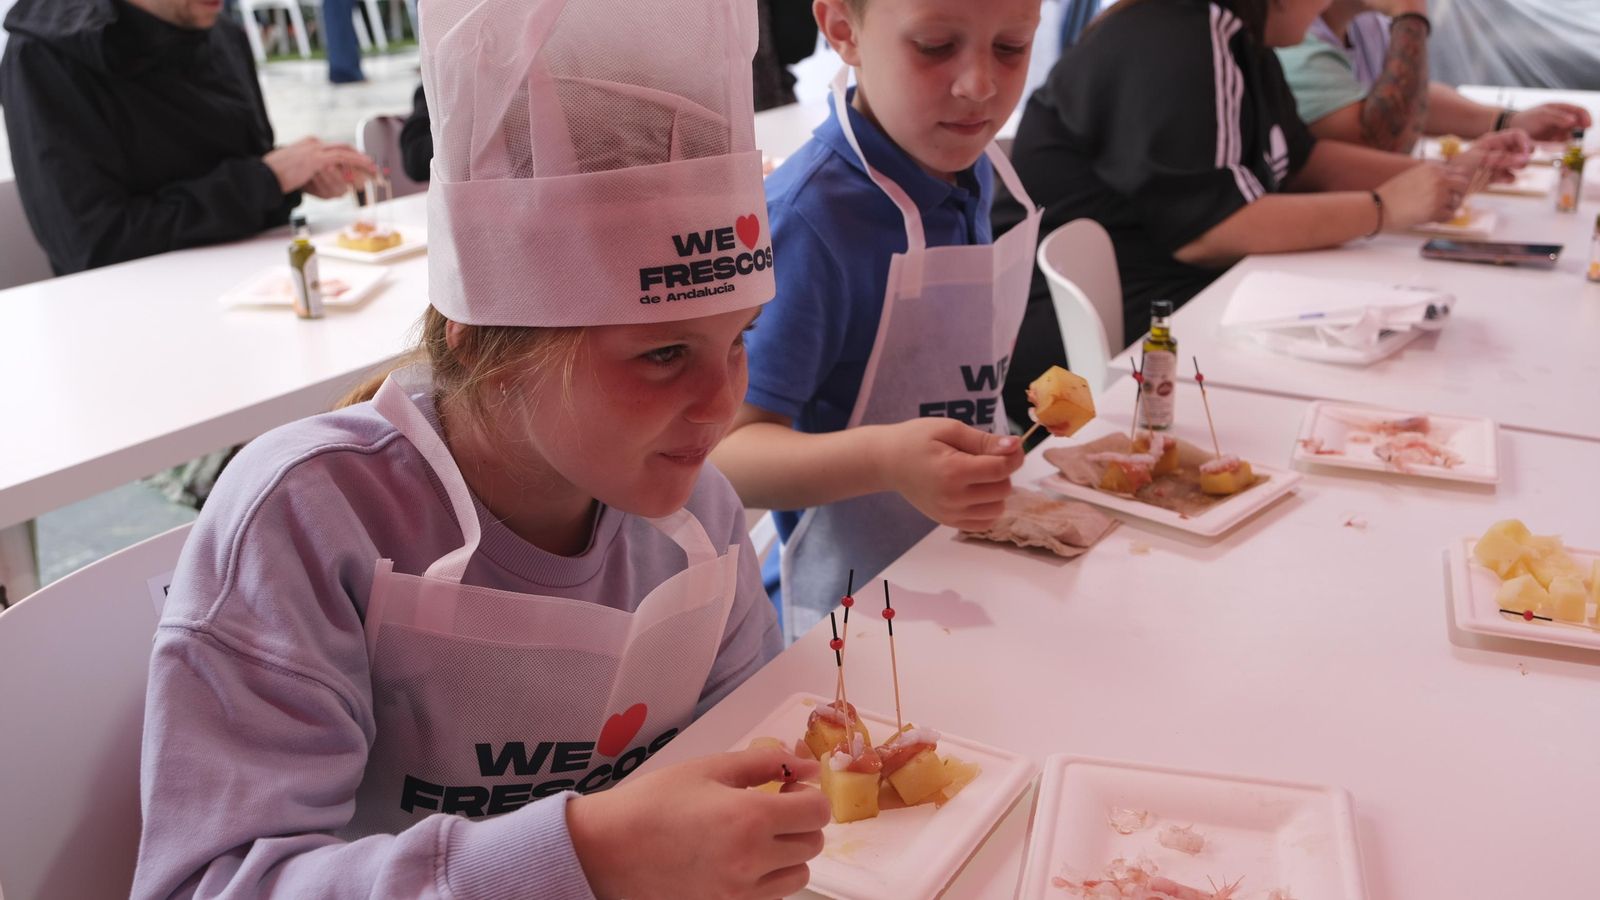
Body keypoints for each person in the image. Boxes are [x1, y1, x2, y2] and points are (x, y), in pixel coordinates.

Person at [131, 0, 827, 896]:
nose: (723, 401)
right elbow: (207, 883)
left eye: (740, 339)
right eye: (662, 354)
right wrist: (590, 855)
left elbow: (749, 763)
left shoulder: (700, 514)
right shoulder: (305, 522)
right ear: (480, 342)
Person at [711, 0, 1041, 638]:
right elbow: (723, 456)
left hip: (964, 569)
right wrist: (887, 460)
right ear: (842, 30)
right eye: (935, 46)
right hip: (851, 616)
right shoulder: (808, 223)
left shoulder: (967, 167)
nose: (980, 86)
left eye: (1011, 48)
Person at [994, 0, 1525, 361]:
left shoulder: (1240, 43)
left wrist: (1444, 177)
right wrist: (1383, 208)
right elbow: (1210, 229)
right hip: (1118, 340)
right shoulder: (1180, 37)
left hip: (1184, 304)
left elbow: (1301, 160)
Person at [0, 0, 374, 276]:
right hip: (126, 316)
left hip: (254, 283)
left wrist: (292, 177)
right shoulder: (45, 55)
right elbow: (94, 243)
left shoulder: (223, 35)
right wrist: (266, 180)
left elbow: (243, 179)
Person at [1275, 0, 1592, 153]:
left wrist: (1508, 121)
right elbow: (1384, 139)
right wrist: (1410, 17)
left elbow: (1406, 99)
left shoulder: (1364, 23)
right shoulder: (1295, 41)